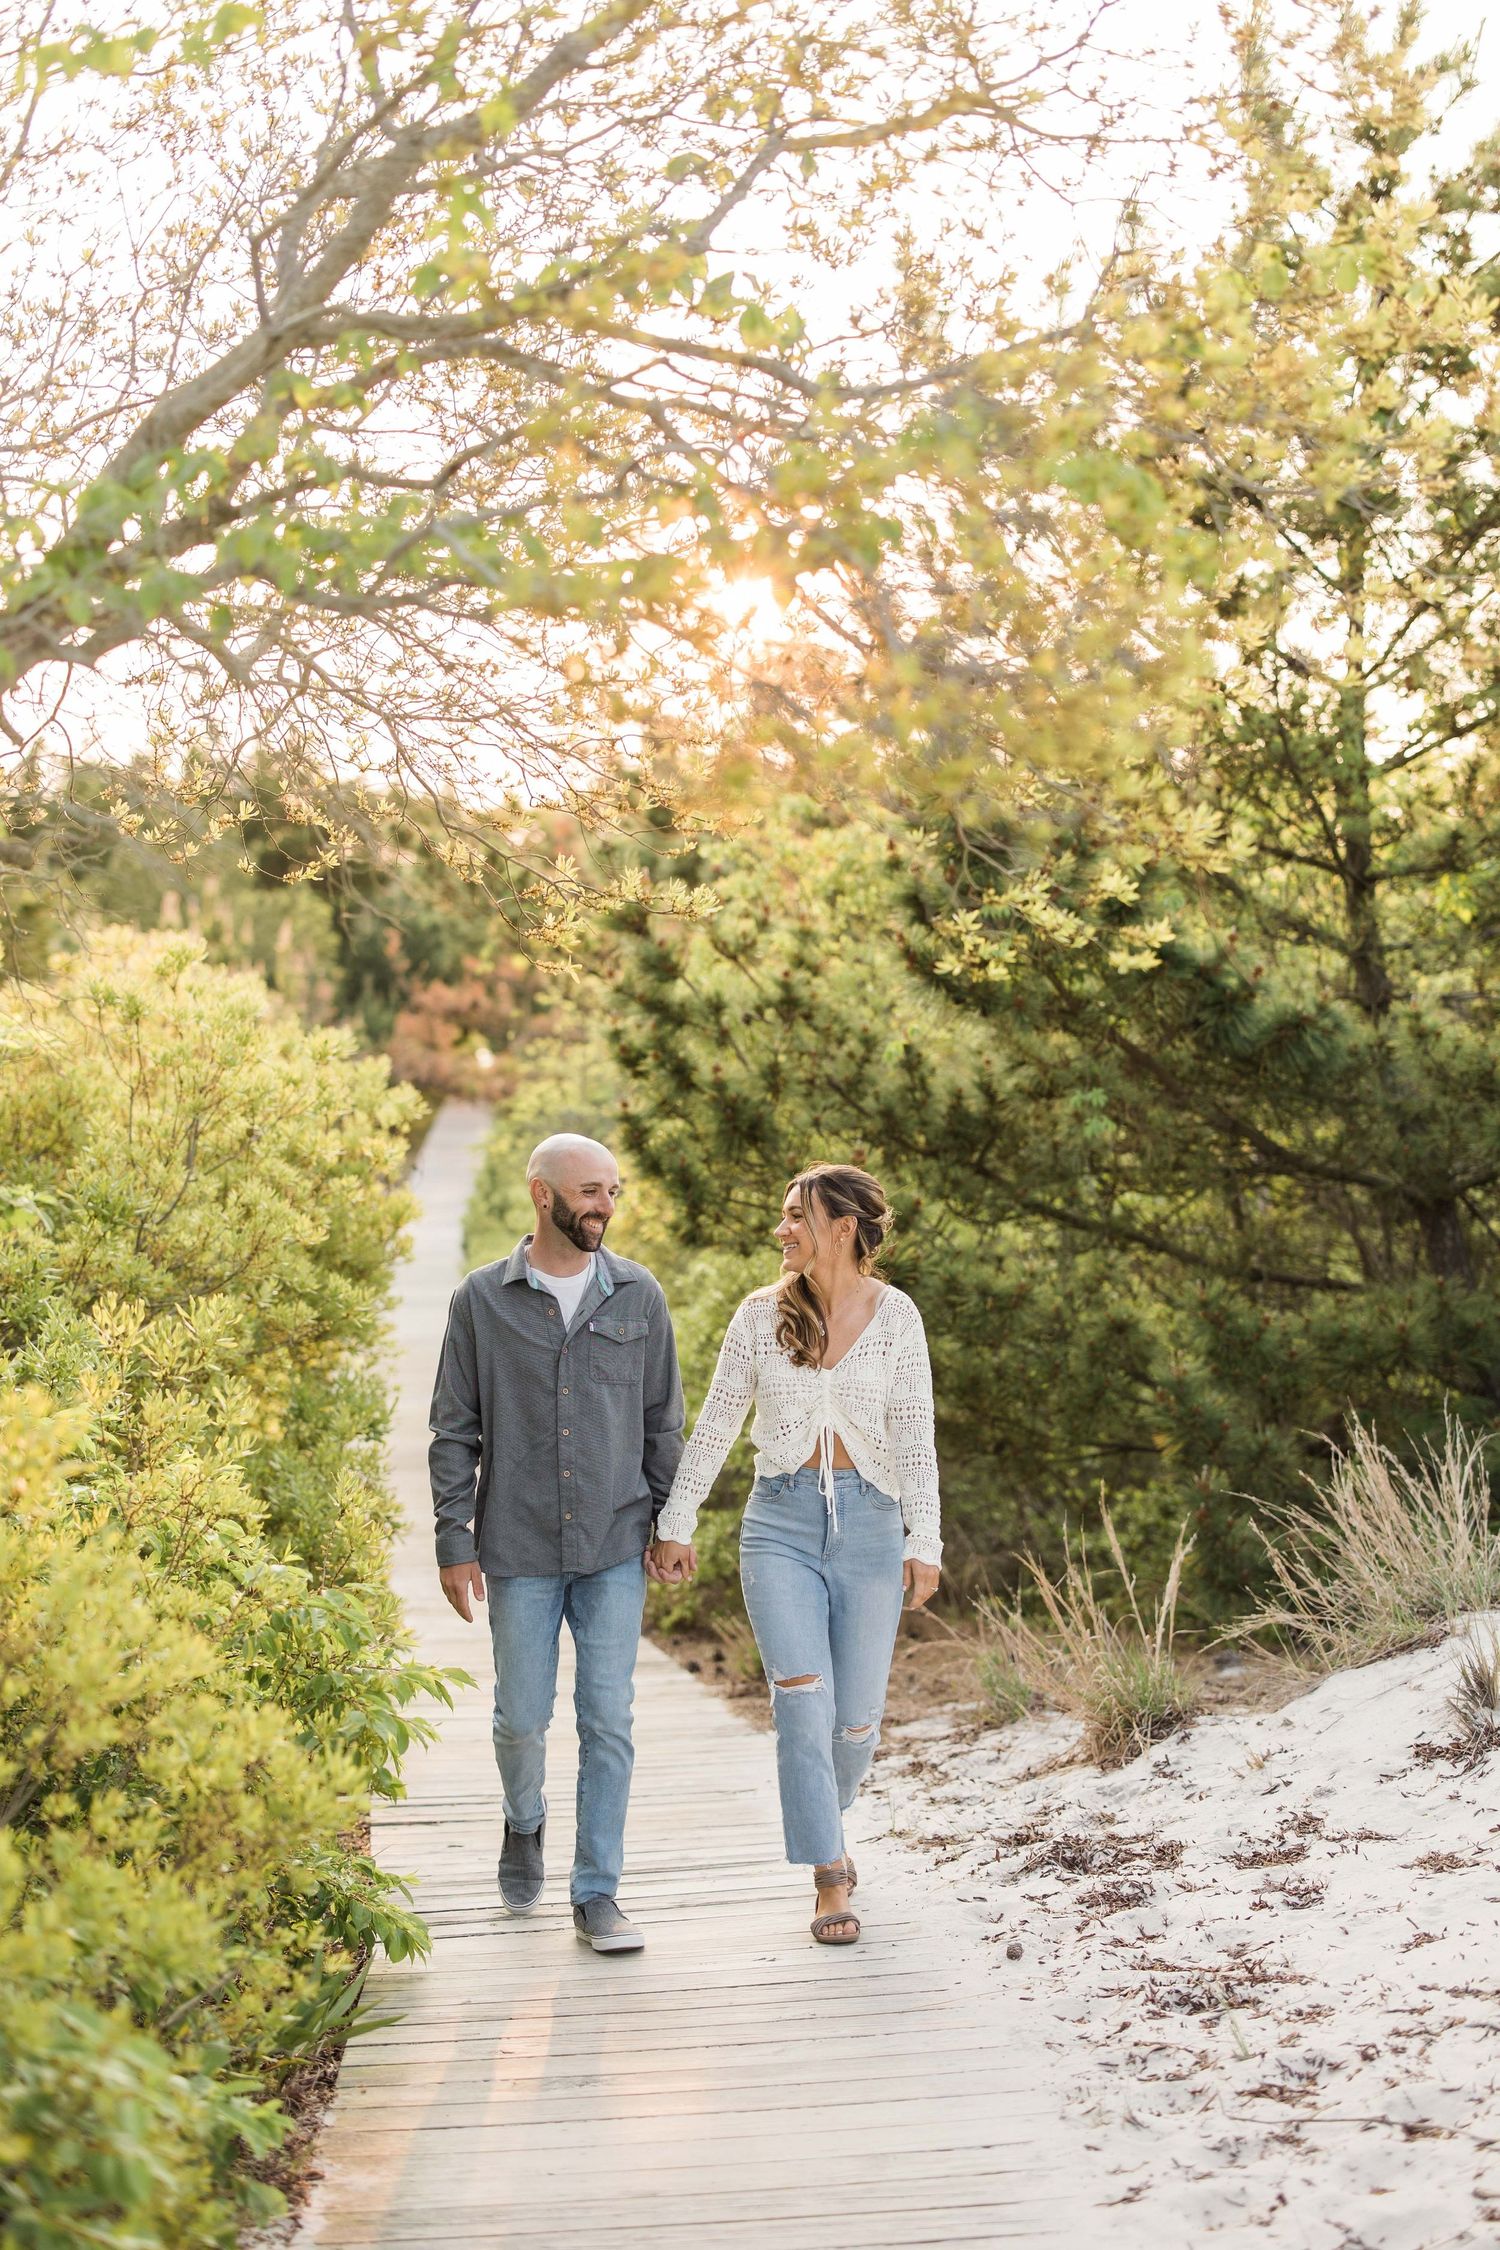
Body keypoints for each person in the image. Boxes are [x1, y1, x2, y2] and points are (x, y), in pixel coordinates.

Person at [651, 1163, 941, 1946]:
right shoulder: (759, 1316)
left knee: (855, 1725)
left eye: (794, 1217)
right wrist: (677, 1522)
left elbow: (915, 1436)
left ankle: (823, 1814)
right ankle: (829, 1873)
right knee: (802, 1702)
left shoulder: (897, 1317)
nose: (780, 1229)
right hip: (778, 1525)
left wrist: (926, 1540)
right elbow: (716, 1424)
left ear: (841, 1229)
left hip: (872, 1528)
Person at [428, 1133, 684, 1954]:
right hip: (519, 1544)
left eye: (613, 1191)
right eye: (589, 1192)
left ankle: (597, 1892)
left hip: (615, 1540)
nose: (605, 1206)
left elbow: (663, 1423)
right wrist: (453, 1539)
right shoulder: (481, 1300)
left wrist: (673, 1524)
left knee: (608, 1719)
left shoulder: (639, 1295)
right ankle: (523, 1819)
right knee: (520, 1720)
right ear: (543, 1195)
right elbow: (453, 1431)